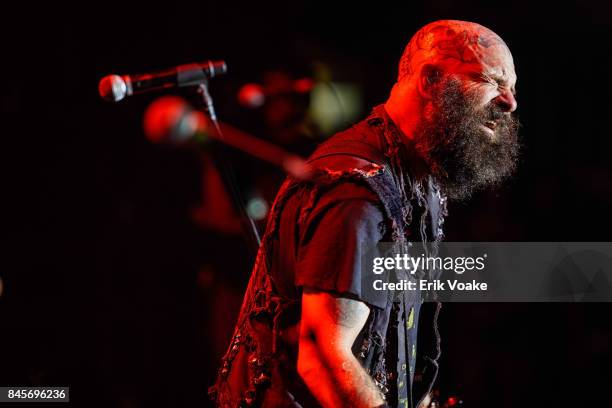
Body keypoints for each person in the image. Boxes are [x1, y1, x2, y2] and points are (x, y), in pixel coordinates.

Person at [209, 19, 520, 408]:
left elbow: (394, 342)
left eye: (513, 87)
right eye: (492, 80)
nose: (510, 102)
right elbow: (324, 358)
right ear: (432, 80)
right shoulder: (356, 193)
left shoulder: (419, 179)